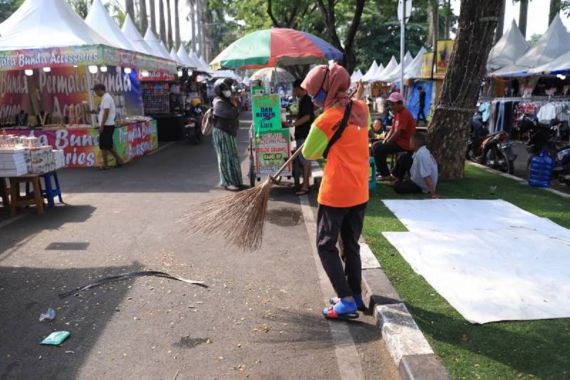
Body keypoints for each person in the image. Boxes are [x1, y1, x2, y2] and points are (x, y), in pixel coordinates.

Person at [301, 64, 370, 320]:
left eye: (314, 93)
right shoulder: (361, 109)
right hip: (360, 190)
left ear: (326, 90)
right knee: (350, 244)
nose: (312, 98)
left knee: (325, 245)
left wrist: (321, 136)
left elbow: (309, 153)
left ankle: (346, 300)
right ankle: (356, 295)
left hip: (336, 193)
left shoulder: (326, 119)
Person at [372, 92, 416, 181]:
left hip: (405, 144)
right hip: (399, 142)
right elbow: (392, 129)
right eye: (390, 103)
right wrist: (385, 140)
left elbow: (398, 132)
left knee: (379, 148)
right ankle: (384, 172)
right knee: (376, 145)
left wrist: (388, 142)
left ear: (400, 103)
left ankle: (385, 174)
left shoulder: (404, 113)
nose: (391, 106)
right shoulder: (397, 113)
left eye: (393, 104)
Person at [212, 79, 242, 191]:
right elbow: (229, 114)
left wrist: (235, 104)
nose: (227, 91)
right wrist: (234, 106)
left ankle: (236, 180)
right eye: (225, 89)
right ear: (219, 91)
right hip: (222, 132)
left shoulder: (228, 100)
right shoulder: (218, 101)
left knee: (233, 157)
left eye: (228, 89)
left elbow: (237, 110)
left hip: (230, 132)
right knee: (224, 158)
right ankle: (227, 182)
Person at [393, 133, 439, 198]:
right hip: (417, 176)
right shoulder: (420, 150)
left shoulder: (423, 156)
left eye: (410, 142)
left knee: (397, 187)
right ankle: (398, 178)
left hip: (421, 185)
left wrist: (433, 193)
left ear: (414, 144)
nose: (409, 143)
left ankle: (400, 183)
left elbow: (426, 176)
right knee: (404, 157)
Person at [291, 79, 315, 195]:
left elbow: (306, 117)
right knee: (306, 160)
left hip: (304, 134)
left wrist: (293, 124)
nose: (294, 92)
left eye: (295, 89)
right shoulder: (303, 100)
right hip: (303, 134)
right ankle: (306, 183)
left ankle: (305, 186)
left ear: (300, 88)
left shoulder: (306, 100)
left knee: (305, 160)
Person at [93, 84, 123, 170]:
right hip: (108, 125)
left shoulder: (106, 98)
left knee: (104, 146)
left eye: (96, 91)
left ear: (100, 90)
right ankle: (119, 160)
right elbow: (104, 111)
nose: (96, 93)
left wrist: (101, 125)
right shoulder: (106, 98)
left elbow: (106, 113)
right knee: (108, 146)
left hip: (107, 125)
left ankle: (105, 164)